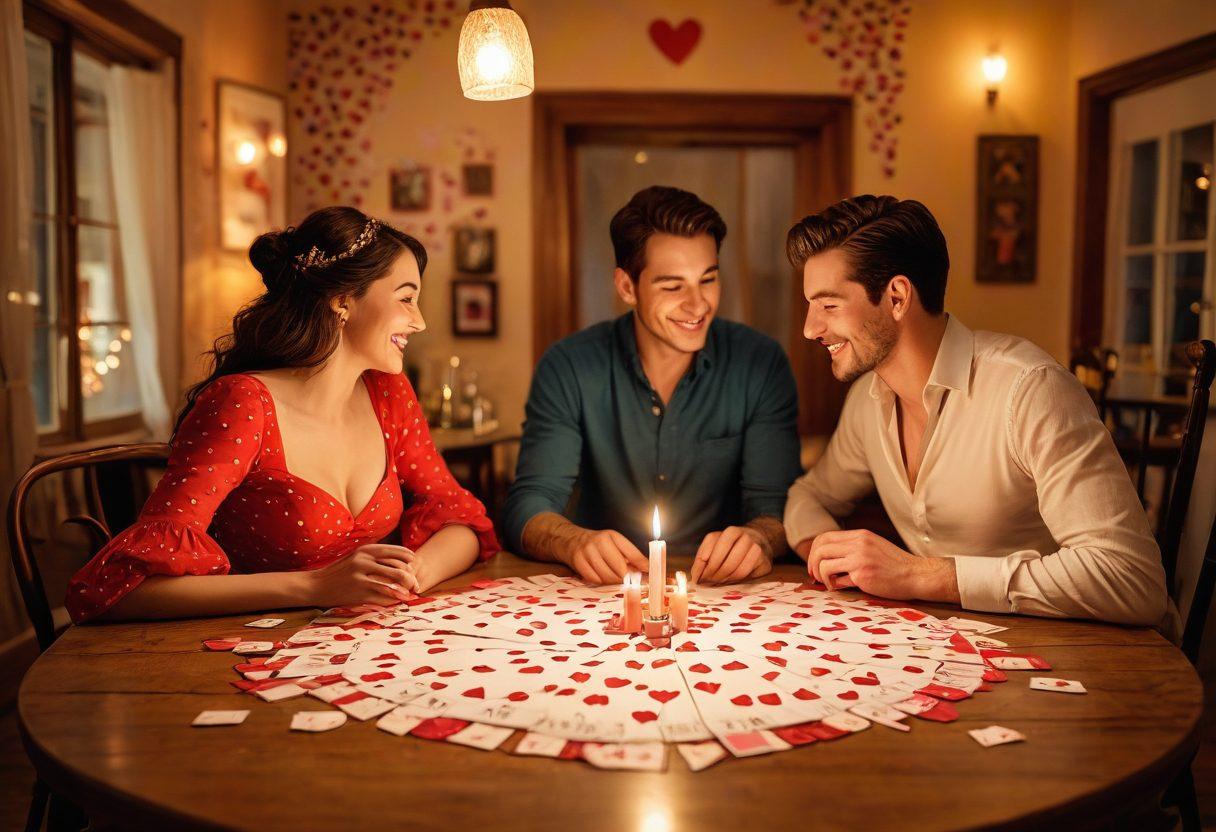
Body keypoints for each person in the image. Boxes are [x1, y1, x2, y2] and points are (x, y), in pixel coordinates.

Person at [67, 207, 499, 623]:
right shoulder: (243, 403)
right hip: (239, 648)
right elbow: (127, 591)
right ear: (343, 301)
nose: (419, 322)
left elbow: (462, 523)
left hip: (360, 642)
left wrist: (410, 575)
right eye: (406, 299)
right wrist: (314, 586)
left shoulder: (388, 393)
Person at [783, 195, 1172, 627]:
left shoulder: (1030, 390)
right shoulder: (867, 400)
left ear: (896, 297)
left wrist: (920, 576)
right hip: (950, 645)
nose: (810, 328)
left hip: (1085, 651)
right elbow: (809, 496)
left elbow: (1131, 579)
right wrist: (831, 555)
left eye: (829, 305)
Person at [502, 185, 802, 586]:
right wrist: (572, 542)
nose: (698, 304)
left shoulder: (760, 363)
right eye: (673, 286)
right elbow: (528, 504)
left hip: (724, 591)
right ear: (627, 287)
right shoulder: (569, 366)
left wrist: (760, 538)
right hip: (602, 593)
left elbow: (778, 506)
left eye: (708, 279)